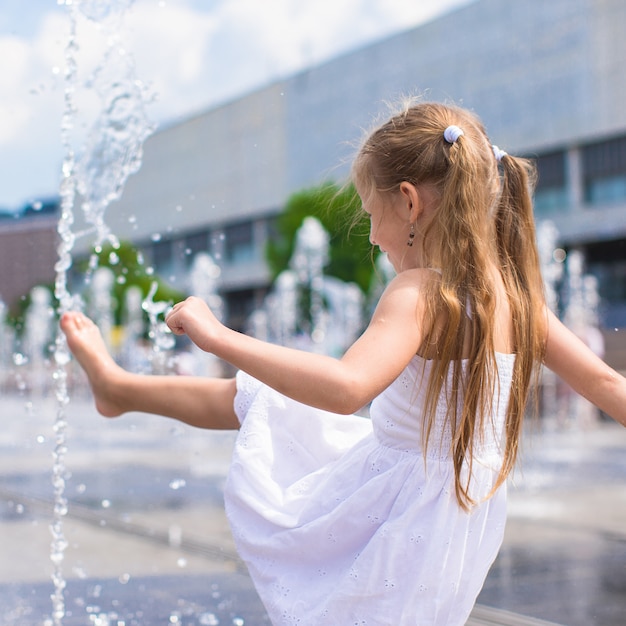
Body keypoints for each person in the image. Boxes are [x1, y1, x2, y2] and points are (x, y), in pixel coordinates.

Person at [60, 99, 626, 625]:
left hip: (396, 512)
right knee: (263, 400)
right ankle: (119, 387)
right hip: (455, 520)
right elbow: (604, 382)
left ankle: (118, 388)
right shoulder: (520, 299)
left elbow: (346, 387)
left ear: (408, 201)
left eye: (370, 214)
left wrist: (218, 336)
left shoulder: (419, 293)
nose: (374, 238)